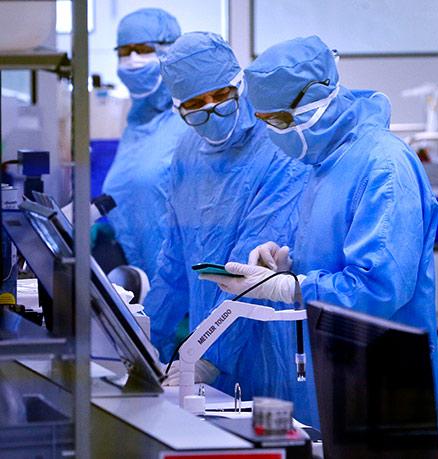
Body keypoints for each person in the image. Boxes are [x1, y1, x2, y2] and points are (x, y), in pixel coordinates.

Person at [213, 36, 438, 423]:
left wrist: (291, 287)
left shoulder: (384, 166)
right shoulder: (324, 165)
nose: (275, 134)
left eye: (282, 121)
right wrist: (286, 262)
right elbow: (333, 253)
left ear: (319, 98)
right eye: (266, 122)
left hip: (382, 377)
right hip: (334, 372)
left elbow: (380, 287)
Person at [142, 32, 310, 419]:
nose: (211, 109)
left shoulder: (275, 145)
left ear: (239, 83)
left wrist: (204, 354)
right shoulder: (186, 152)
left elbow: (251, 270)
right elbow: (174, 263)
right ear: (178, 108)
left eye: (221, 95)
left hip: (264, 341)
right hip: (208, 343)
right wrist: (147, 343)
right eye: (195, 105)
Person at [102, 8, 188, 281]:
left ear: (170, 51)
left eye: (143, 49)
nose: (133, 60)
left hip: (181, 293)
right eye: (124, 52)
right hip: (140, 284)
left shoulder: (192, 121)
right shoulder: (136, 125)